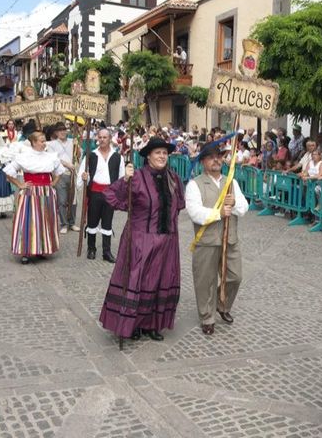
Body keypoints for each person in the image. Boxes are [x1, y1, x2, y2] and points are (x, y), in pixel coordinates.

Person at [99, 137, 186, 342]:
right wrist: (125, 180)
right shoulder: (136, 177)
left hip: (167, 240)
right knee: (138, 281)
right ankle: (134, 325)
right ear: (148, 156)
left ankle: (153, 325)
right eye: (158, 153)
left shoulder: (174, 179)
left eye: (165, 153)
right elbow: (111, 196)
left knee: (160, 280)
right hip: (140, 239)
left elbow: (179, 206)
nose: (162, 156)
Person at [186, 144, 249, 335]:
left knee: (235, 276)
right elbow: (194, 212)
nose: (216, 160)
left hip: (229, 239)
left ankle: (222, 305)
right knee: (205, 280)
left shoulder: (231, 182)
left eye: (219, 157)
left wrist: (235, 203)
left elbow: (244, 208)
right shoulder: (195, 184)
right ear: (203, 162)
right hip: (206, 240)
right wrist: (219, 213)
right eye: (211, 157)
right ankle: (207, 317)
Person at [3, 131, 65, 265]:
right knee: (28, 221)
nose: (44, 143)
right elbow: (8, 172)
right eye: (41, 141)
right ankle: (26, 251)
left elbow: (59, 171)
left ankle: (42, 248)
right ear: (33, 143)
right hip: (30, 192)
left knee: (45, 220)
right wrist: (20, 184)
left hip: (46, 192)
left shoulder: (50, 156)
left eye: (44, 140)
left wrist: (53, 183)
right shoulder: (24, 157)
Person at [77, 128, 125, 262]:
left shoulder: (117, 157)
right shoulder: (91, 155)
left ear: (110, 139)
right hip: (94, 193)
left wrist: (120, 195)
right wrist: (84, 177)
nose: (102, 140)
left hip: (110, 194)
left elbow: (121, 177)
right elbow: (82, 173)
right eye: (100, 137)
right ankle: (91, 249)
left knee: (107, 222)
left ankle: (106, 251)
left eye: (105, 137)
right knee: (92, 221)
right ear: (97, 138)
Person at [46, 123, 79, 234]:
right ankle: (64, 224)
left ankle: (72, 223)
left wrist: (77, 147)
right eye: (60, 130)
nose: (62, 132)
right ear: (56, 132)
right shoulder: (51, 144)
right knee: (62, 200)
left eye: (64, 130)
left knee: (73, 200)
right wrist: (67, 164)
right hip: (60, 174)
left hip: (73, 173)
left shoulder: (72, 141)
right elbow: (53, 158)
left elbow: (78, 155)